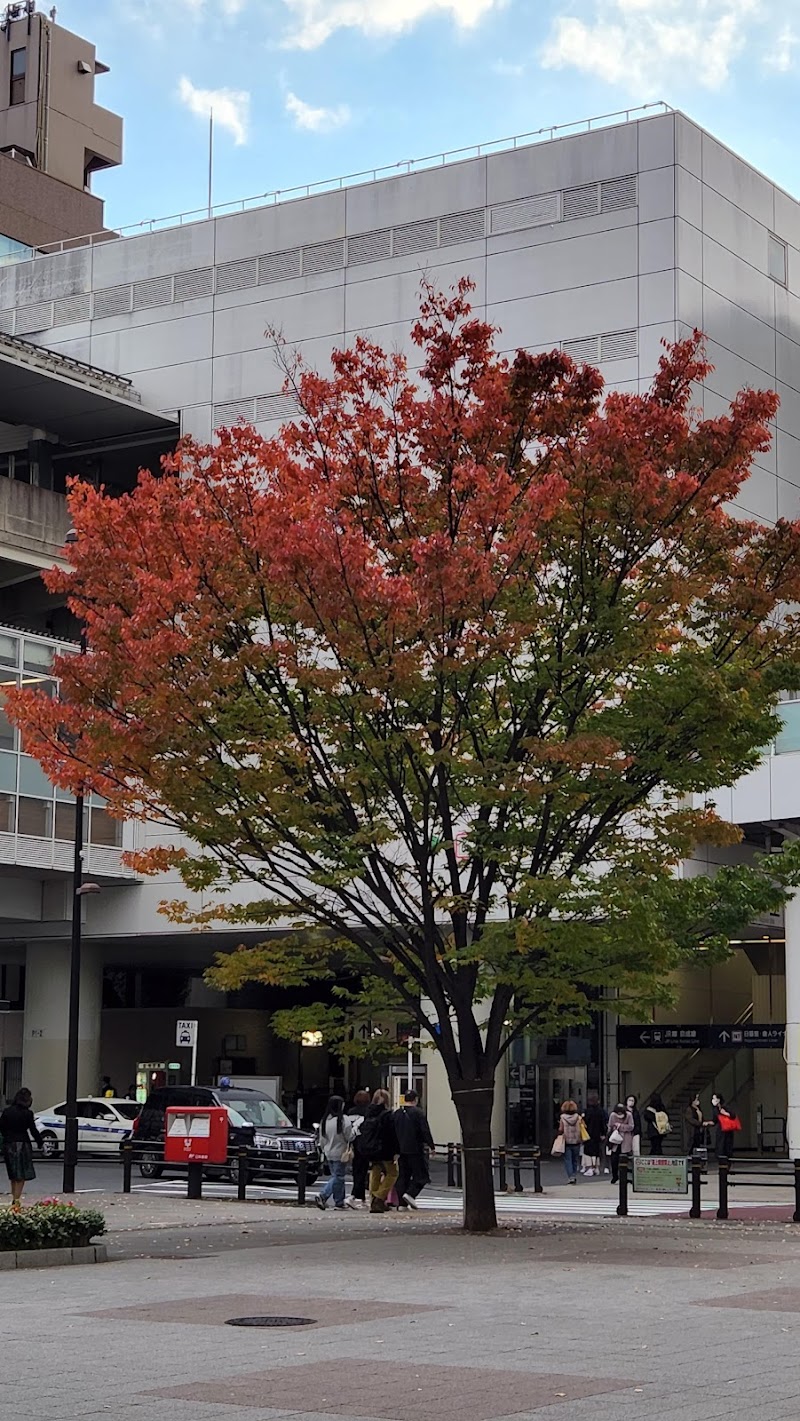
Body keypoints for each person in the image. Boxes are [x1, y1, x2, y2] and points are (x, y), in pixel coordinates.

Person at [0, 1087, 43, 1209]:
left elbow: (1, 1127)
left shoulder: (7, 1111)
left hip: (9, 1143)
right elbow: (33, 1130)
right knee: (21, 1175)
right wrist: (40, 1142)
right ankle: (16, 1200)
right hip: (23, 1143)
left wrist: (7, 1136)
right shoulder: (28, 1113)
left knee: (13, 1174)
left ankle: (14, 1197)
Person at [359, 1088, 399, 1213]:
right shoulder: (387, 1115)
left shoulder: (368, 1113)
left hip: (370, 1148)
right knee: (392, 1173)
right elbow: (392, 1135)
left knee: (375, 1171)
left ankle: (373, 1200)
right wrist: (396, 1151)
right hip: (385, 1149)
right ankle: (379, 1196)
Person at [394, 1089, 434, 1209]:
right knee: (421, 1175)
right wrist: (431, 1145)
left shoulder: (397, 1113)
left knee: (403, 1176)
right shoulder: (418, 1113)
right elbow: (424, 1130)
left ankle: (402, 1203)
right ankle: (411, 1194)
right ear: (416, 1099)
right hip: (416, 1149)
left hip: (400, 1149)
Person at [315, 1095, 356, 1211]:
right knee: (338, 1177)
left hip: (328, 1151)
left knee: (338, 1176)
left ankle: (339, 1201)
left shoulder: (324, 1121)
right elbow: (349, 1136)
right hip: (341, 1152)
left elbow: (322, 1140)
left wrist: (324, 1150)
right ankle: (323, 1195)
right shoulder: (343, 1120)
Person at [346, 1088, 372, 1210]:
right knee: (363, 1171)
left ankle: (359, 1197)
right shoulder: (368, 1112)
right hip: (366, 1144)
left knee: (357, 1171)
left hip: (354, 1143)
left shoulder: (351, 1112)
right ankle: (356, 1196)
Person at [606, 1102, 634, 1183]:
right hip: (615, 1140)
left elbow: (631, 1126)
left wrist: (620, 1126)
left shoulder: (629, 1115)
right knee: (614, 1159)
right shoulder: (612, 1115)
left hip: (625, 1140)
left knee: (625, 1158)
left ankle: (626, 1177)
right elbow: (610, 1126)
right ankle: (615, 1176)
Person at [581, 1092, 607, 1177]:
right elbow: (603, 1123)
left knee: (588, 1152)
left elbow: (583, 1123)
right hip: (598, 1134)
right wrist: (603, 1133)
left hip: (587, 1134)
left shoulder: (587, 1111)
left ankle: (590, 1168)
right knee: (597, 1152)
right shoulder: (601, 1111)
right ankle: (596, 1168)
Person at [557, 1100, 583, 1183]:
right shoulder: (578, 1117)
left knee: (568, 1160)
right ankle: (574, 1175)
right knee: (575, 1159)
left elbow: (561, 1129)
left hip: (566, 1141)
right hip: (576, 1141)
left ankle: (570, 1176)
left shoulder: (562, 1118)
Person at [712, 1093, 737, 1161]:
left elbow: (733, 1115)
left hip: (727, 1130)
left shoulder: (725, 1106)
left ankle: (727, 1161)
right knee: (720, 1146)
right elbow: (715, 1120)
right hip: (720, 1130)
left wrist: (725, 1113)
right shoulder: (715, 1109)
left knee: (727, 1146)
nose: (713, 1100)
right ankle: (721, 1160)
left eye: (714, 1098)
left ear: (719, 1100)